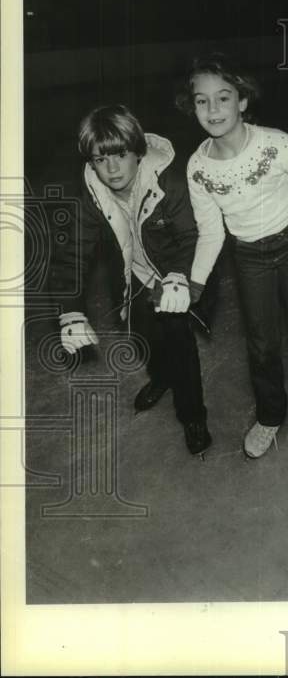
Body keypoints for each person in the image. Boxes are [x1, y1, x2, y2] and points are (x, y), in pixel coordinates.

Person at [179, 54, 288, 461]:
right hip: (248, 255)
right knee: (260, 343)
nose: (213, 109)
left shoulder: (272, 142)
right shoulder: (198, 168)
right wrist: (196, 281)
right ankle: (270, 414)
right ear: (193, 107)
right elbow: (210, 231)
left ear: (242, 101)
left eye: (223, 98)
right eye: (202, 101)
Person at [49, 105, 213, 455]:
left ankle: (193, 414)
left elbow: (191, 235)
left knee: (179, 344)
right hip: (133, 275)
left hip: (173, 277)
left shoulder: (170, 180)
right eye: (99, 159)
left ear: (138, 151)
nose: (111, 168)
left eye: (120, 155)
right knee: (143, 337)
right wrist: (70, 312)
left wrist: (180, 276)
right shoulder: (93, 192)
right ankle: (162, 377)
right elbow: (72, 253)